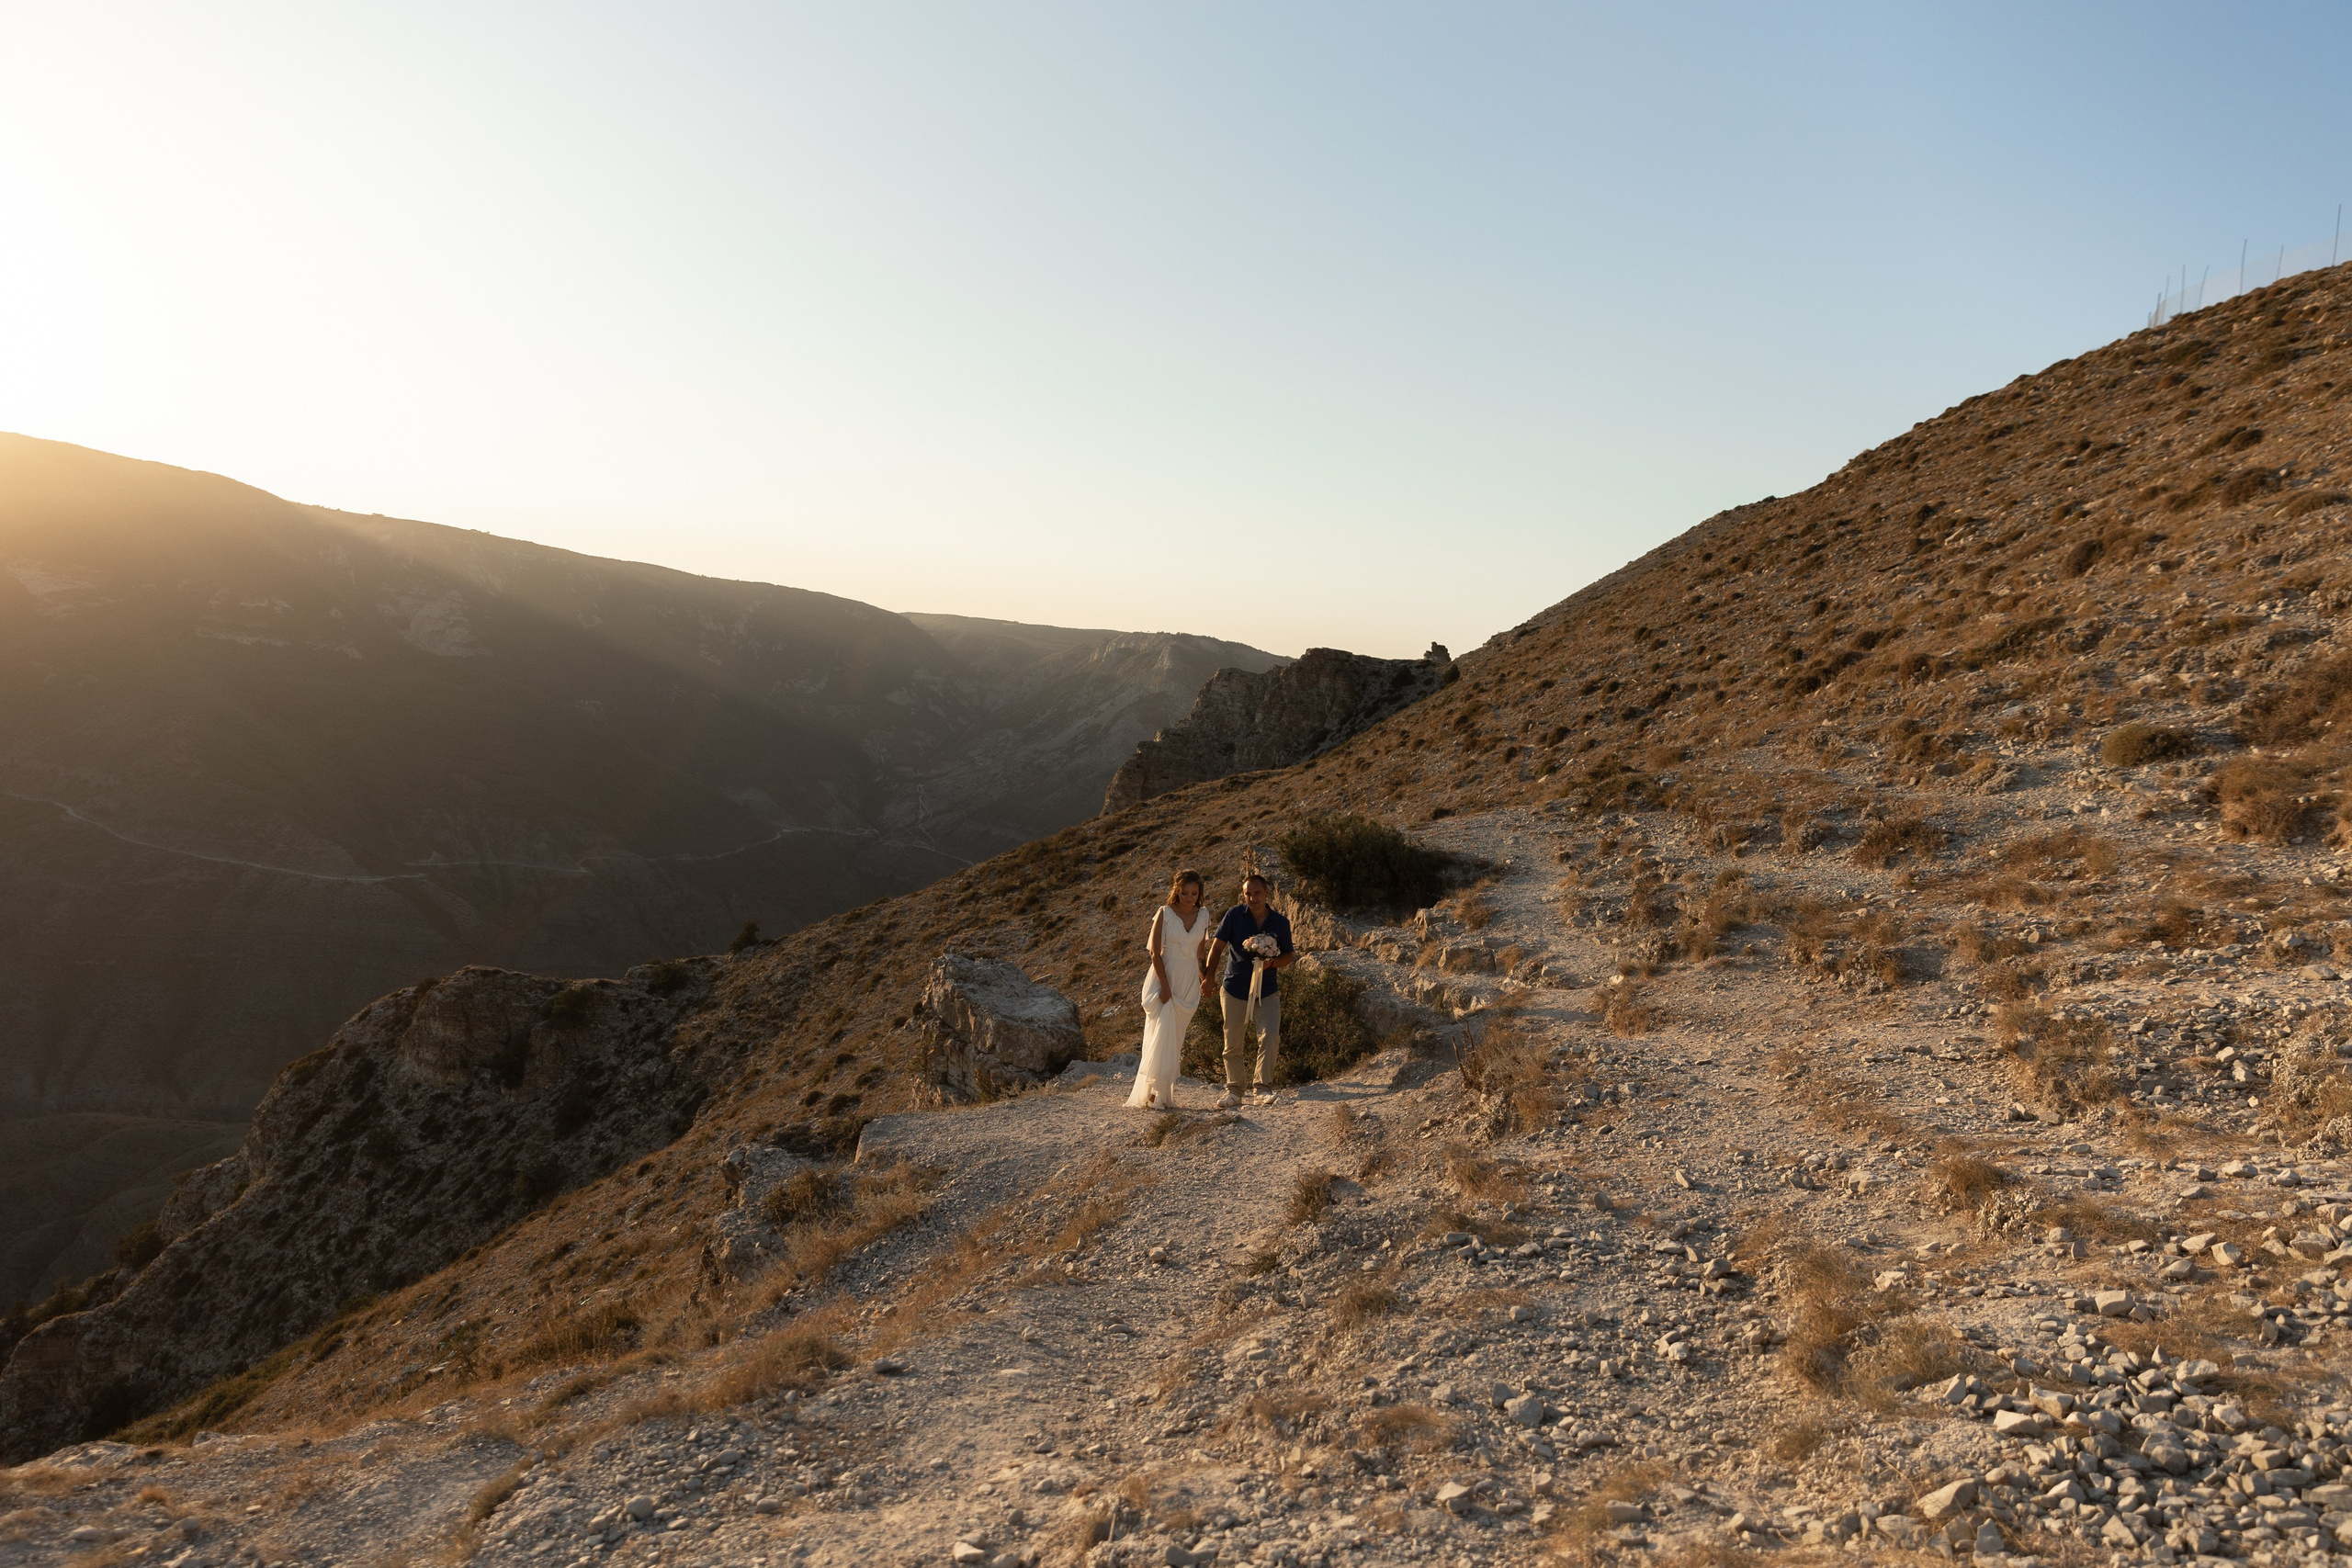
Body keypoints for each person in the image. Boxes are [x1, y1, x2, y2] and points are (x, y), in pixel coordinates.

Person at [1202, 871, 1295, 1108]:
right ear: (1243, 895)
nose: (1253, 898)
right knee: (1232, 1042)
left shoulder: (1280, 922)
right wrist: (1209, 977)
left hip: (1268, 991)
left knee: (1270, 1035)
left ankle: (1262, 1089)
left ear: (1267, 893)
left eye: (1257, 893)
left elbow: (1288, 956)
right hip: (1234, 989)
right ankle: (1234, 1091)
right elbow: (1217, 947)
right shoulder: (1234, 915)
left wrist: (1271, 963)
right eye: (1248, 894)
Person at [1128, 869, 1212, 1110]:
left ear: (1199, 893)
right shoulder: (1164, 913)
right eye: (1184, 893)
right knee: (1162, 1035)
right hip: (1165, 976)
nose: (1189, 897)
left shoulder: (1204, 914)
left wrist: (1205, 979)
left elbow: (1199, 953)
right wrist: (1164, 987)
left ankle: (1164, 1096)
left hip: (1188, 981)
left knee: (1175, 1039)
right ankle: (1154, 1096)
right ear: (1177, 891)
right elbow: (1155, 952)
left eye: (1194, 893)